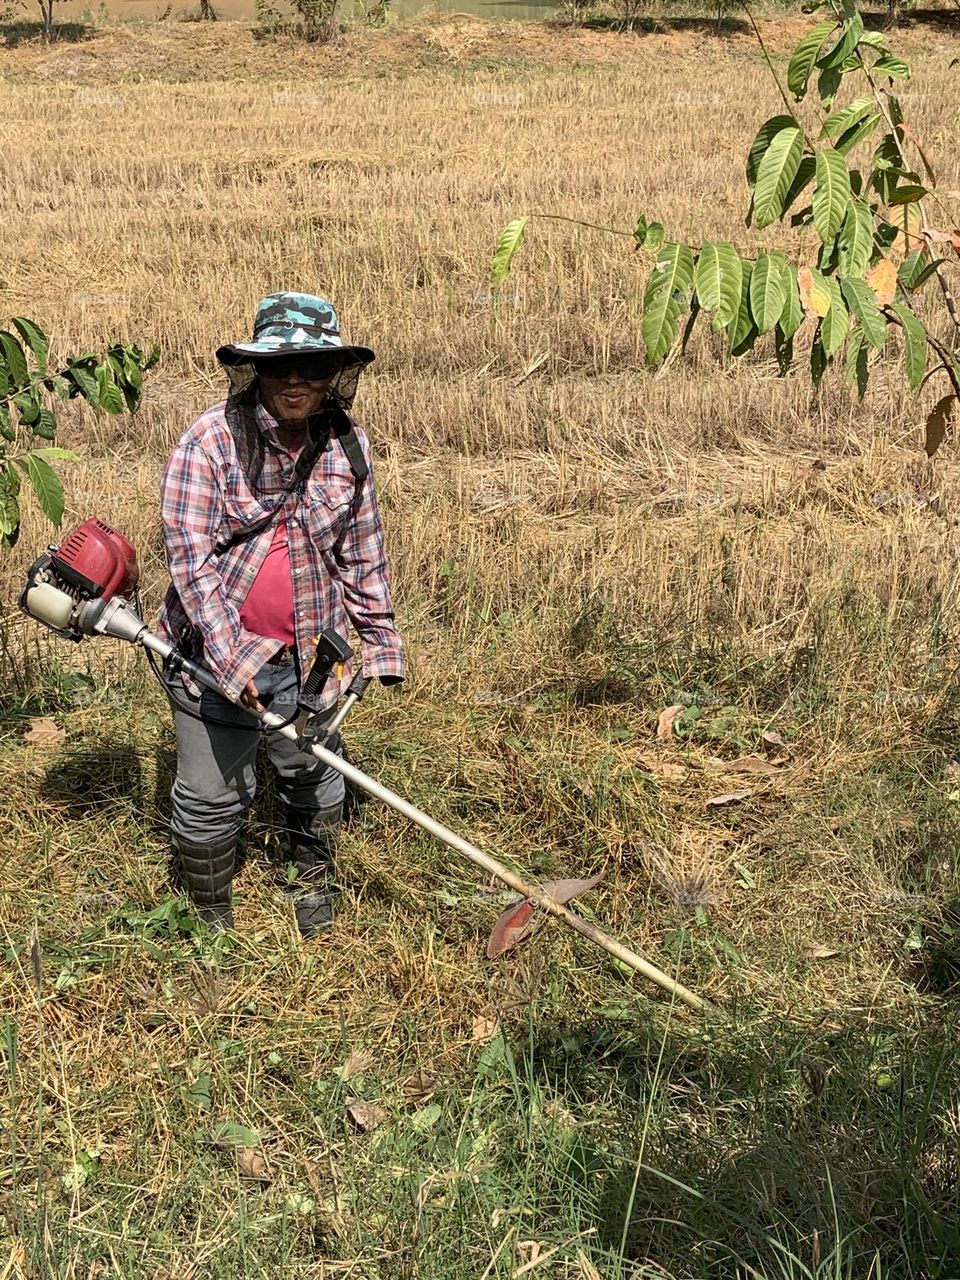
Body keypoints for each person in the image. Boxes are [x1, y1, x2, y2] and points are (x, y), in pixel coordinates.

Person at [157, 292, 405, 937]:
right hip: (214, 656)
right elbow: (191, 564)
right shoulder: (209, 443)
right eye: (280, 365)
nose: (296, 380)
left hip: (312, 653)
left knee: (314, 776)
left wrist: (378, 642)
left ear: (333, 376)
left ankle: (311, 888)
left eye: (313, 366)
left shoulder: (347, 448)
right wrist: (231, 655)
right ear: (256, 371)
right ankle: (210, 920)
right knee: (212, 797)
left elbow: (363, 551)